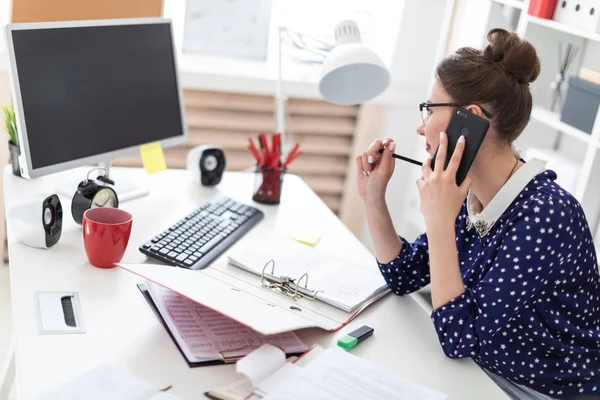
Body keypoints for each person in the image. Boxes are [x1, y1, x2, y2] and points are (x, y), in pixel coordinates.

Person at [357, 28, 600, 400]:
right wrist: (374, 198)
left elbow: (457, 336)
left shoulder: (547, 215)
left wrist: (438, 218)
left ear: (467, 120)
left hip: (539, 392)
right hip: (479, 374)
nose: (421, 126)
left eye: (429, 109)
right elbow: (404, 273)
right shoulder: (469, 192)